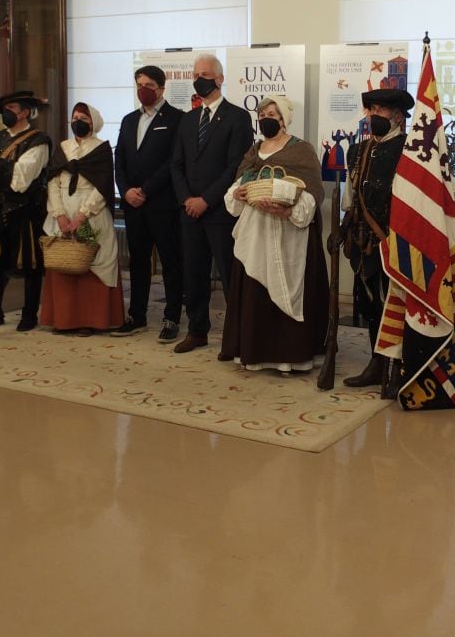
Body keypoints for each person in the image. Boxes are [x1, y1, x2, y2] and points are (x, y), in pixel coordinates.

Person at [220, 96, 328, 372]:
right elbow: (237, 185)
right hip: (256, 233)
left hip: (288, 232)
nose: (267, 117)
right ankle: (254, 352)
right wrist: (239, 192)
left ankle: (289, 355)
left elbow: (313, 192)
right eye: (263, 113)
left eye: (272, 113)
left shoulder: (302, 151)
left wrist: (288, 210)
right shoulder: (253, 152)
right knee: (256, 290)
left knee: (285, 288)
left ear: (284, 118)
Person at [169, 54, 254, 354]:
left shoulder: (237, 117)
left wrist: (206, 199)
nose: (199, 78)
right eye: (195, 74)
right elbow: (176, 164)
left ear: (219, 79)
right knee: (193, 272)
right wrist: (187, 199)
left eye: (205, 73)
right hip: (189, 212)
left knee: (230, 275)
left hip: (220, 212)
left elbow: (235, 166)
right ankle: (196, 330)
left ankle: (236, 336)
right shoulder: (188, 119)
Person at [339, 87, 414, 387]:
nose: (373, 116)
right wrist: (344, 229)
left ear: (397, 115)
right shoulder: (357, 150)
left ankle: (400, 366)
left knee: (397, 304)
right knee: (371, 305)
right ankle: (377, 362)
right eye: (370, 110)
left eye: (380, 110)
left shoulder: (412, 150)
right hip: (364, 243)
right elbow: (350, 196)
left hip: (396, 243)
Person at [112, 65, 185, 343]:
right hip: (133, 204)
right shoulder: (130, 120)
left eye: (149, 85)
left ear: (161, 88)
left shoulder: (177, 118)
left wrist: (145, 189)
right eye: (139, 83)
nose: (143, 89)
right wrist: (126, 190)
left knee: (170, 261)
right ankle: (137, 315)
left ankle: (172, 317)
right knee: (138, 260)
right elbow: (120, 160)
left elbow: (174, 162)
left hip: (162, 202)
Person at [40, 102, 123, 334]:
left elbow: (103, 185)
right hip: (62, 212)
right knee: (63, 262)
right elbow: (53, 182)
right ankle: (64, 319)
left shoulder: (101, 148)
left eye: (83, 119)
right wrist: (59, 215)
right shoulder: (63, 147)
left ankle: (91, 320)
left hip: (91, 213)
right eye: (75, 117)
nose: (78, 121)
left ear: (93, 122)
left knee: (92, 263)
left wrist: (81, 216)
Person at [0, 91, 52, 332]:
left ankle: (29, 315)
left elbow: (22, 178)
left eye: (13, 107)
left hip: (26, 210)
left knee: (30, 264)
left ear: (25, 112)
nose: (7, 112)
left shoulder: (39, 141)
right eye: (5, 108)